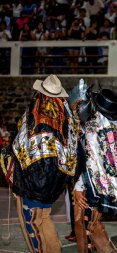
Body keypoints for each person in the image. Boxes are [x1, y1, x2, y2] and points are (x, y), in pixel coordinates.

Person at [11, 75, 80, 253]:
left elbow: (20, 145)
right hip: (56, 182)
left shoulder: (34, 115)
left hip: (34, 180)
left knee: (33, 223)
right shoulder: (67, 118)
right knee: (45, 217)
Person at [71, 87, 117, 253]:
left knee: (85, 227)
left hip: (91, 186)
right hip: (108, 184)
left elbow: (90, 159)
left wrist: (79, 187)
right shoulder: (116, 126)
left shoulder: (93, 126)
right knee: (95, 226)